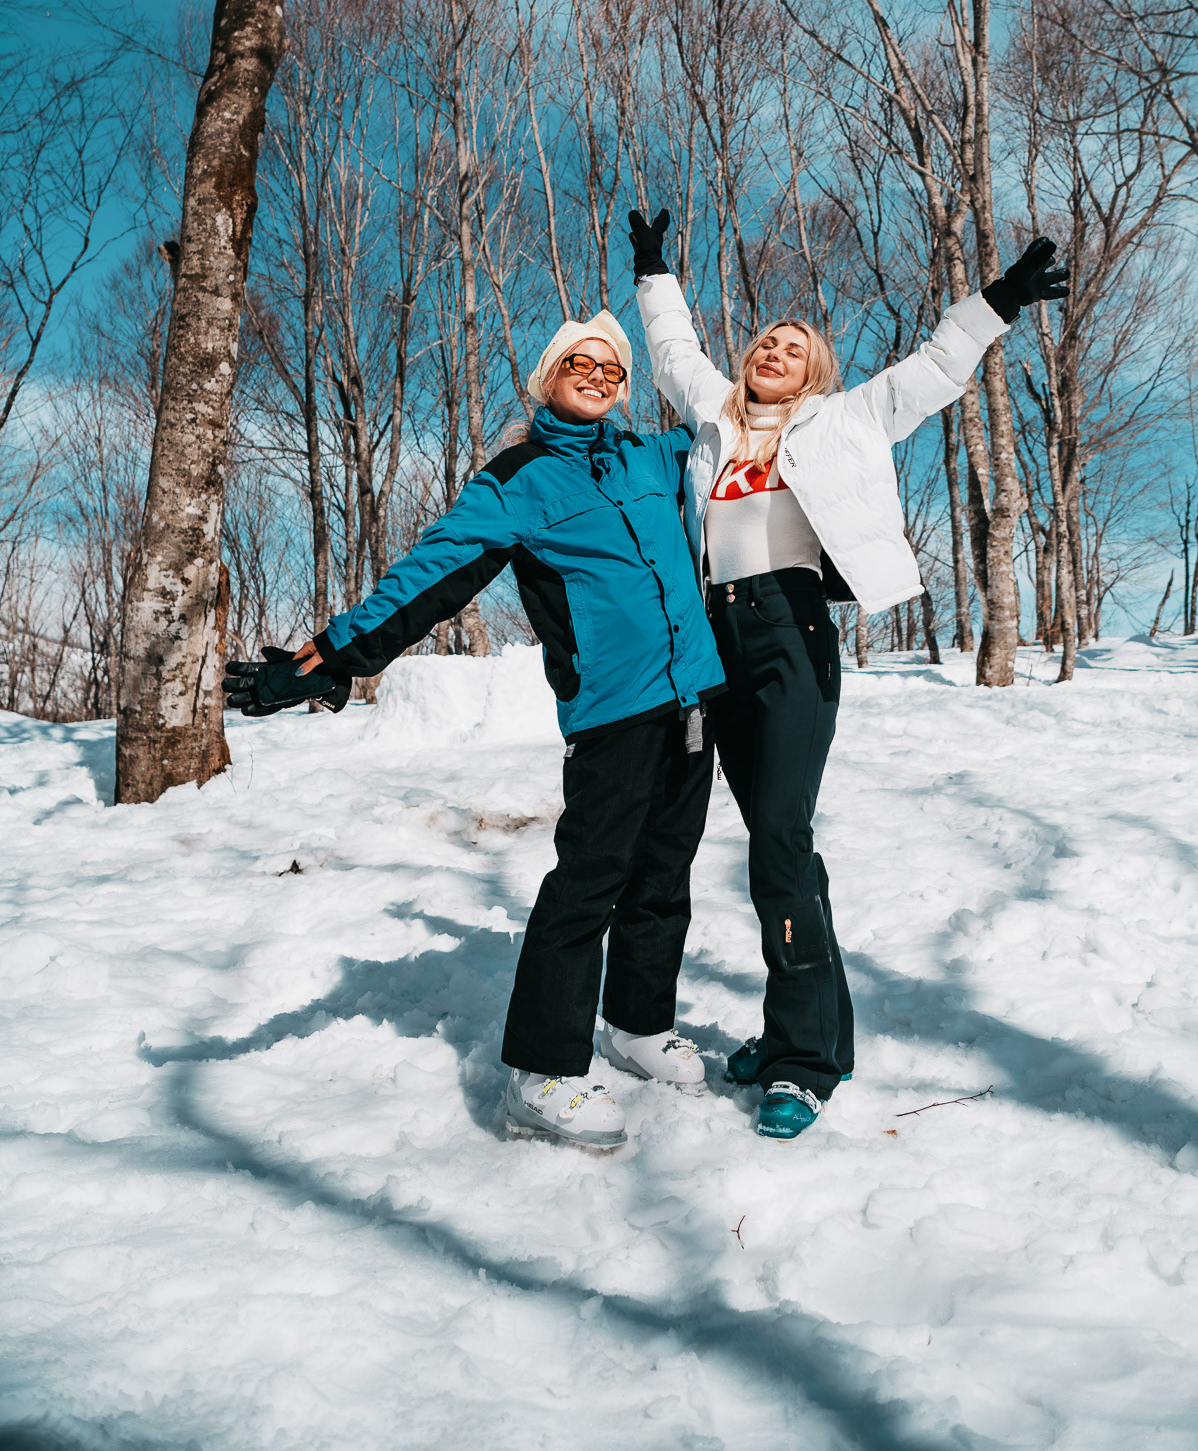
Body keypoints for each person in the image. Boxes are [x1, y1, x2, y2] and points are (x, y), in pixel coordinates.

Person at [225, 310, 728, 1156]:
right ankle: (541, 1072)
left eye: (612, 368)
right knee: (589, 883)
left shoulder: (656, 455)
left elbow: (739, 423)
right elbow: (431, 576)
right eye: (580, 363)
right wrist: (332, 657)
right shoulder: (516, 480)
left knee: (665, 872)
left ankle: (638, 1027)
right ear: (545, 378)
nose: (599, 376)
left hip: (694, 699)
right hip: (612, 709)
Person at [627, 208, 1068, 1141]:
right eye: (765, 341)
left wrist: (999, 302)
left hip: (790, 636)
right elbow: (672, 350)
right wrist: (652, 269)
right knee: (770, 843)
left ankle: (800, 1063)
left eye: (795, 346)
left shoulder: (848, 418)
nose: (774, 350)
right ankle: (814, 1027)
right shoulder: (713, 420)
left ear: (816, 372)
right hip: (713, 643)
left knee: (780, 845)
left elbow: (937, 368)